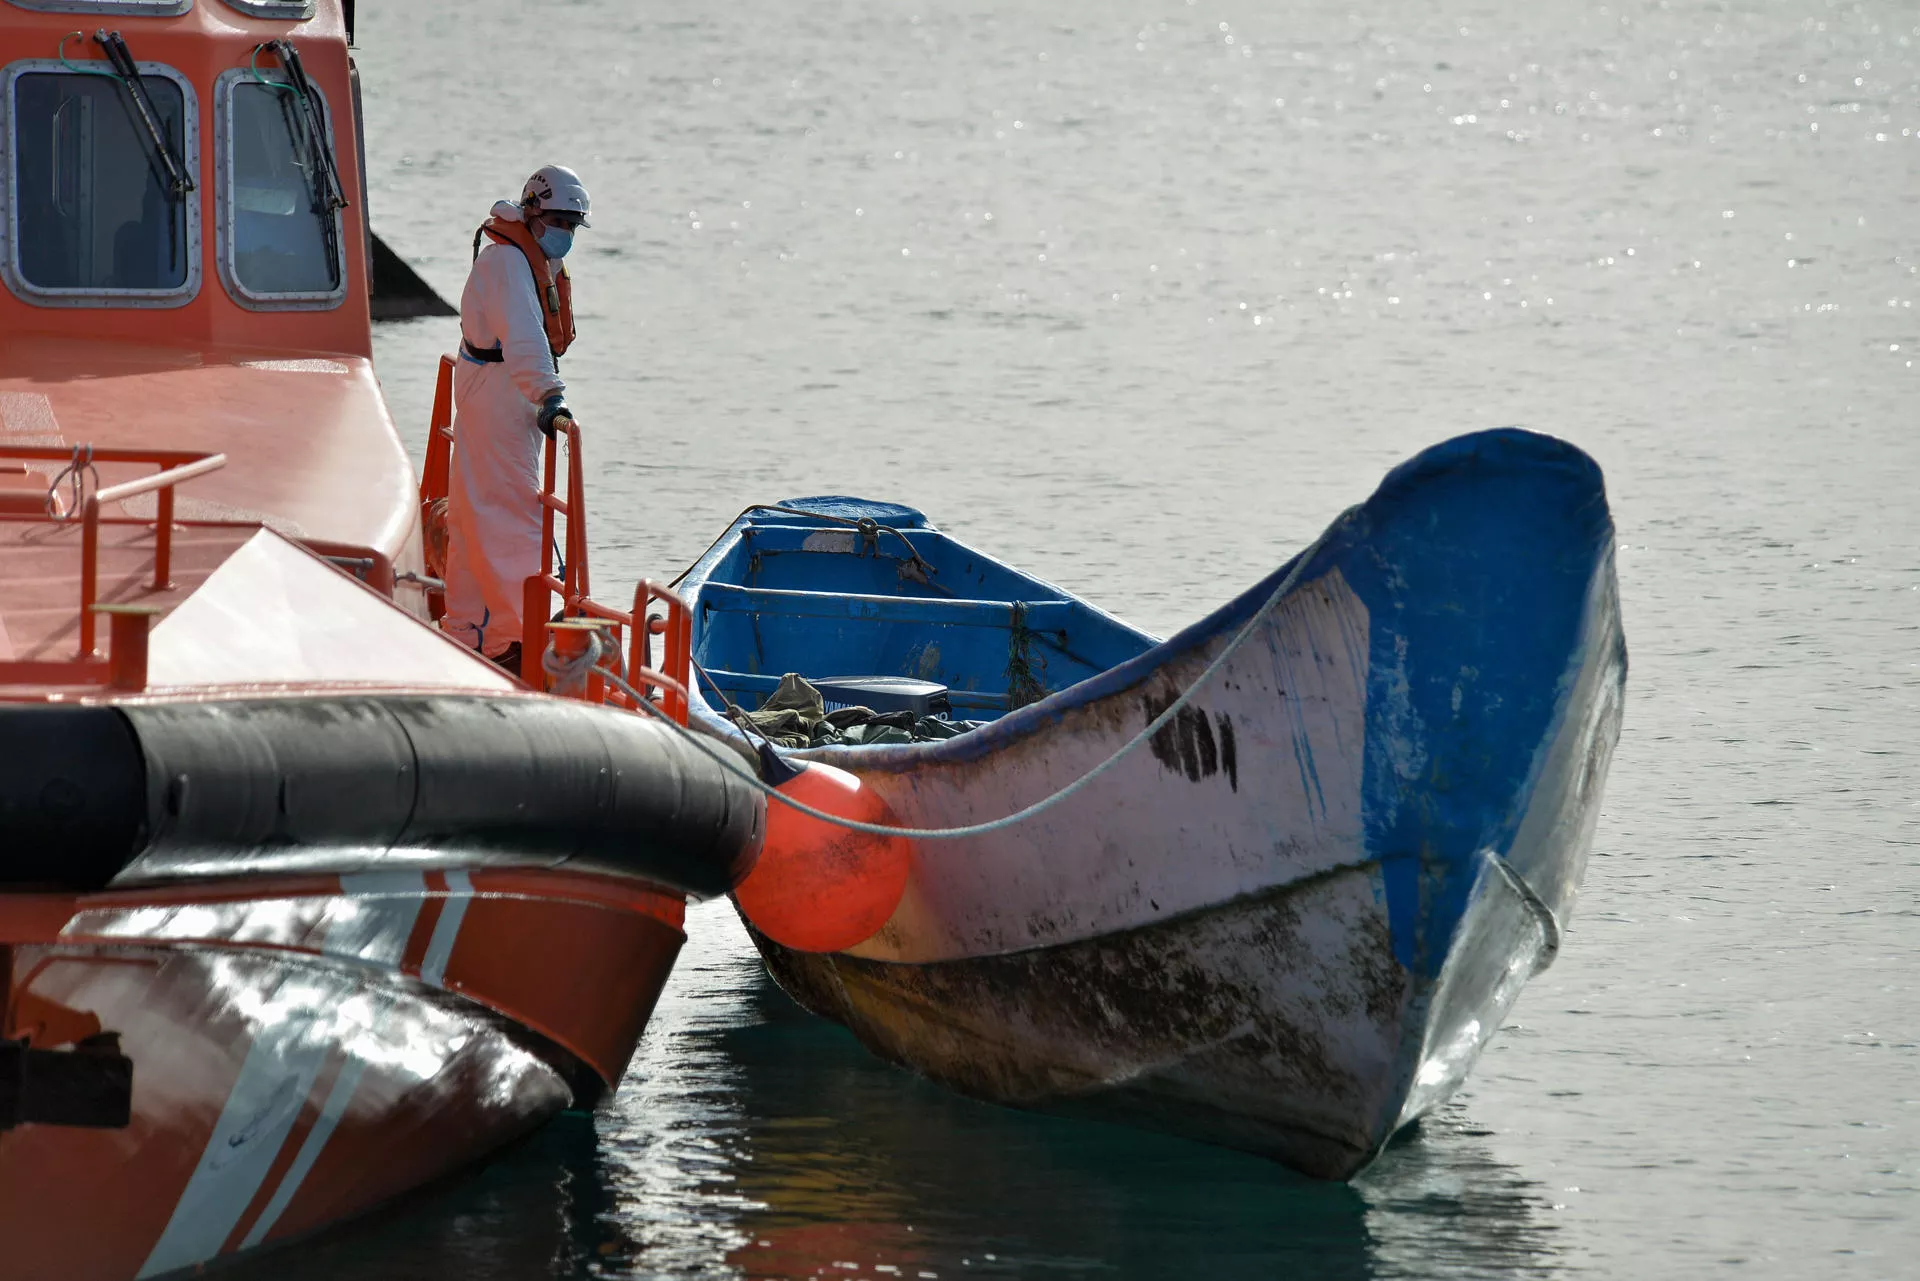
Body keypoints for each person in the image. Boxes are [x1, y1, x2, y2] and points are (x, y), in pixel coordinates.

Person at [441, 165, 590, 672]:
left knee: (475, 510)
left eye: (573, 225)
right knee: (513, 516)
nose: (565, 233)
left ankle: (465, 628)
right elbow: (526, 340)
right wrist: (551, 398)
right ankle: (510, 638)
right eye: (559, 221)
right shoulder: (508, 264)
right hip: (502, 395)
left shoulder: (517, 259)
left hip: (495, 391)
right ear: (532, 213)